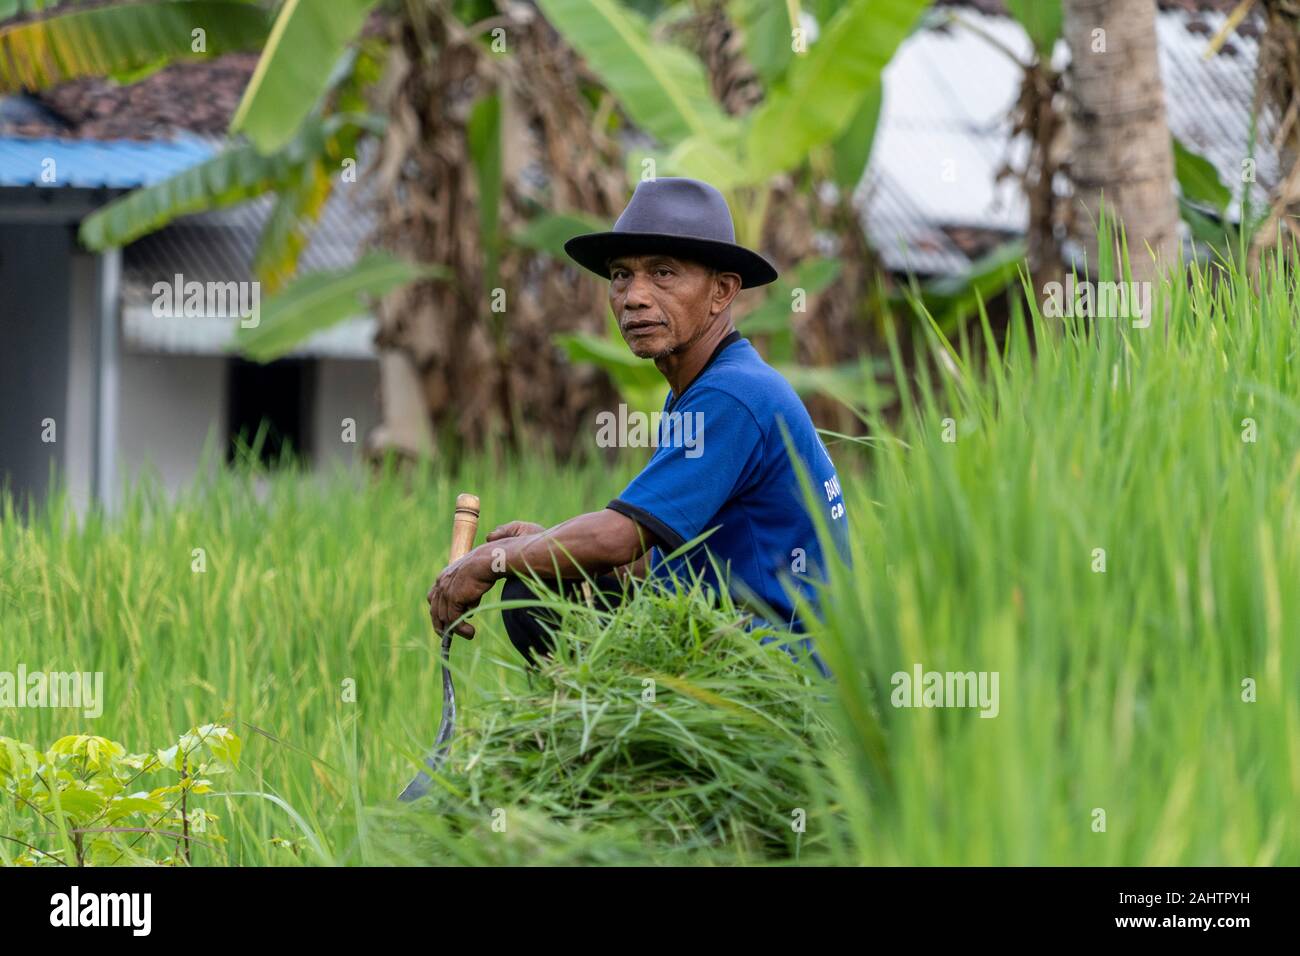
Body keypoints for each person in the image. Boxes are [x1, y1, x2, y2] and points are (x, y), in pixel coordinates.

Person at [426, 177, 850, 676]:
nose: (634, 297)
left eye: (663, 273)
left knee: (529, 588)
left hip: (779, 671)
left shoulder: (731, 395)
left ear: (722, 291)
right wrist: (542, 547)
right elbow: (662, 559)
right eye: (622, 276)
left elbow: (620, 538)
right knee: (540, 587)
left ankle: (612, 738)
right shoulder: (706, 388)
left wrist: (489, 560)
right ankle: (603, 736)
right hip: (735, 643)